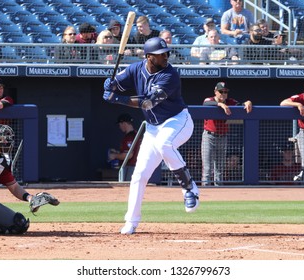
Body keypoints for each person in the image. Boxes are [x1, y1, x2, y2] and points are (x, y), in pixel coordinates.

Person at [103, 37, 199, 234]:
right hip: (153, 127)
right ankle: (131, 221)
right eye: (160, 55)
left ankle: (189, 187)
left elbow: (148, 102)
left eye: (166, 53)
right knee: (139, 175)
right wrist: (111, 85)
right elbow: (118, 84)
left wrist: (117, 98)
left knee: (165, 144)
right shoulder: (135, 69)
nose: (165, 57)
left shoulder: (170, 75)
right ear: (148, 57)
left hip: (177, 121)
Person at [0, 124, 58, 235]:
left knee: (19, 224)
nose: (6, 142)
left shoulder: (2, 161)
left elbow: (14, 186)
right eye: (1, 139)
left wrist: (30, 198)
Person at [201, 81, 252, 186]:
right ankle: (205, 194)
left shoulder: (230, 101)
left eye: (225, 92)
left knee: (219, 169)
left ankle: (218, 196)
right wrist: (220, 104)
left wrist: (248, 102)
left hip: (222, 137)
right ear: (215, 91)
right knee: (207, 168)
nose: (223, 94)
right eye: (221, 91)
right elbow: (205, 103)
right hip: (209, 136)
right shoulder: (209, 100)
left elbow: (240, 105)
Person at [108, 113, 141, 181]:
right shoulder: (135, 134)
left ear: (124, 123)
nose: (119, 126)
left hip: (130, 168)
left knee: (126, 188)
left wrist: (114, 155)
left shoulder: (130, 137)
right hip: (135, 167)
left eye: (120, 124)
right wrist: (118, 152)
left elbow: (128, 155)